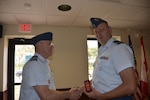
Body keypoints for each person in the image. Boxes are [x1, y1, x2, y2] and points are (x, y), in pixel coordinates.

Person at [83, 18, 137, 100]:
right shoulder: (102, 51)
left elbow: (131, 86)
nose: (99, 34)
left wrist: (102, 97)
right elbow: (101, 78)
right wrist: (80, 89)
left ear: (110, 30)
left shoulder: (119, 49)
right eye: (96, 32)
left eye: (102, 30)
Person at [19, 32, 81, 100]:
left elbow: (50, 90)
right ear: (40, 45)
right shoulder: (35, 65)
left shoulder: (44, 64)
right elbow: (46, 96)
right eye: (49, 43)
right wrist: (69, 94)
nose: (53, 46)